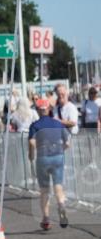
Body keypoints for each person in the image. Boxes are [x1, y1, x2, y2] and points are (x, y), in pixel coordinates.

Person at [28, 97, 71, 231]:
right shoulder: (58, 124)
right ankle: (61, 205)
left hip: (43, 158)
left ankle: (46, 219)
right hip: (57, 157)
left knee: (44, 190)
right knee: (58, 186)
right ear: (49, 109)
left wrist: (32, 155)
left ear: (38, 110)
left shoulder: (35, 125)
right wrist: (60, 149)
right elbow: (68, 142)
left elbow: (31, 142)